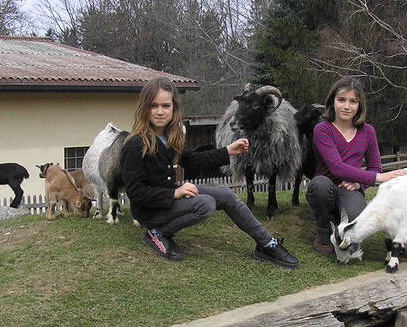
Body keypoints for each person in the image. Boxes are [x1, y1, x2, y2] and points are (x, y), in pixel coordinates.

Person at [120, 77, 299, 269]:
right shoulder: (135, 144)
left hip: (168, 197)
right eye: (153, 106)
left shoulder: (167, 137)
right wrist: (174, 193)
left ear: (174, 108)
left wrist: (229, 150)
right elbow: (136, 192)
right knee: (205, 204)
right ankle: (157, 232)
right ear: (144, 108)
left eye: (166, 105)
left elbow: (193, 161)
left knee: (226, 194)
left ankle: (267, 244)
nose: (160, 111)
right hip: (150, 211)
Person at [306, 77, 407, 255]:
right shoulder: (322, 129)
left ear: (360, 105)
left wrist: (360, 184)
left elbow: (375, 167)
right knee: (319, 185)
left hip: (350, 188)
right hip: (325, 185)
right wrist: (379, 179)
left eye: (353, 101)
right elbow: (337, 167)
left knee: (357, 217)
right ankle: (323, 231)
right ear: (332, 102)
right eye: (341, 100)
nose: (347, 106)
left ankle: (339, 221)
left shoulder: (368, 131)